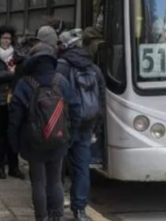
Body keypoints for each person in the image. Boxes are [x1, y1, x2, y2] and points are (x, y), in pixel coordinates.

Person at [9, 44, 81, 221]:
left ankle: (41, 217)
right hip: (58, 139)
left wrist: (14, 142)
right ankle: (56, 217)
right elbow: (75, 110)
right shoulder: (61, 81)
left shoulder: (25, 84)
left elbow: (15, 118)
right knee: (55, 181)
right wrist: (70, 137)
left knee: (38, 182)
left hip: (33, 141)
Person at [57, 29, 106, 221]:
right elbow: (101, 100)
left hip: (64, 124)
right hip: (86, 124)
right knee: (82, 168)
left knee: (57, 165)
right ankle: (79, 210)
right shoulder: (93, 68)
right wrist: (96, 126)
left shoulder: (60, 67)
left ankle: (56, 206)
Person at [0, 25, 26, 180]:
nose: (7, 41)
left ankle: (14, 167)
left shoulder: (16, 54)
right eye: (4, 38)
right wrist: (9, 74)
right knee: (1, 133)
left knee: (13, 133)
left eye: (9, 38)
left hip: (14, 98)